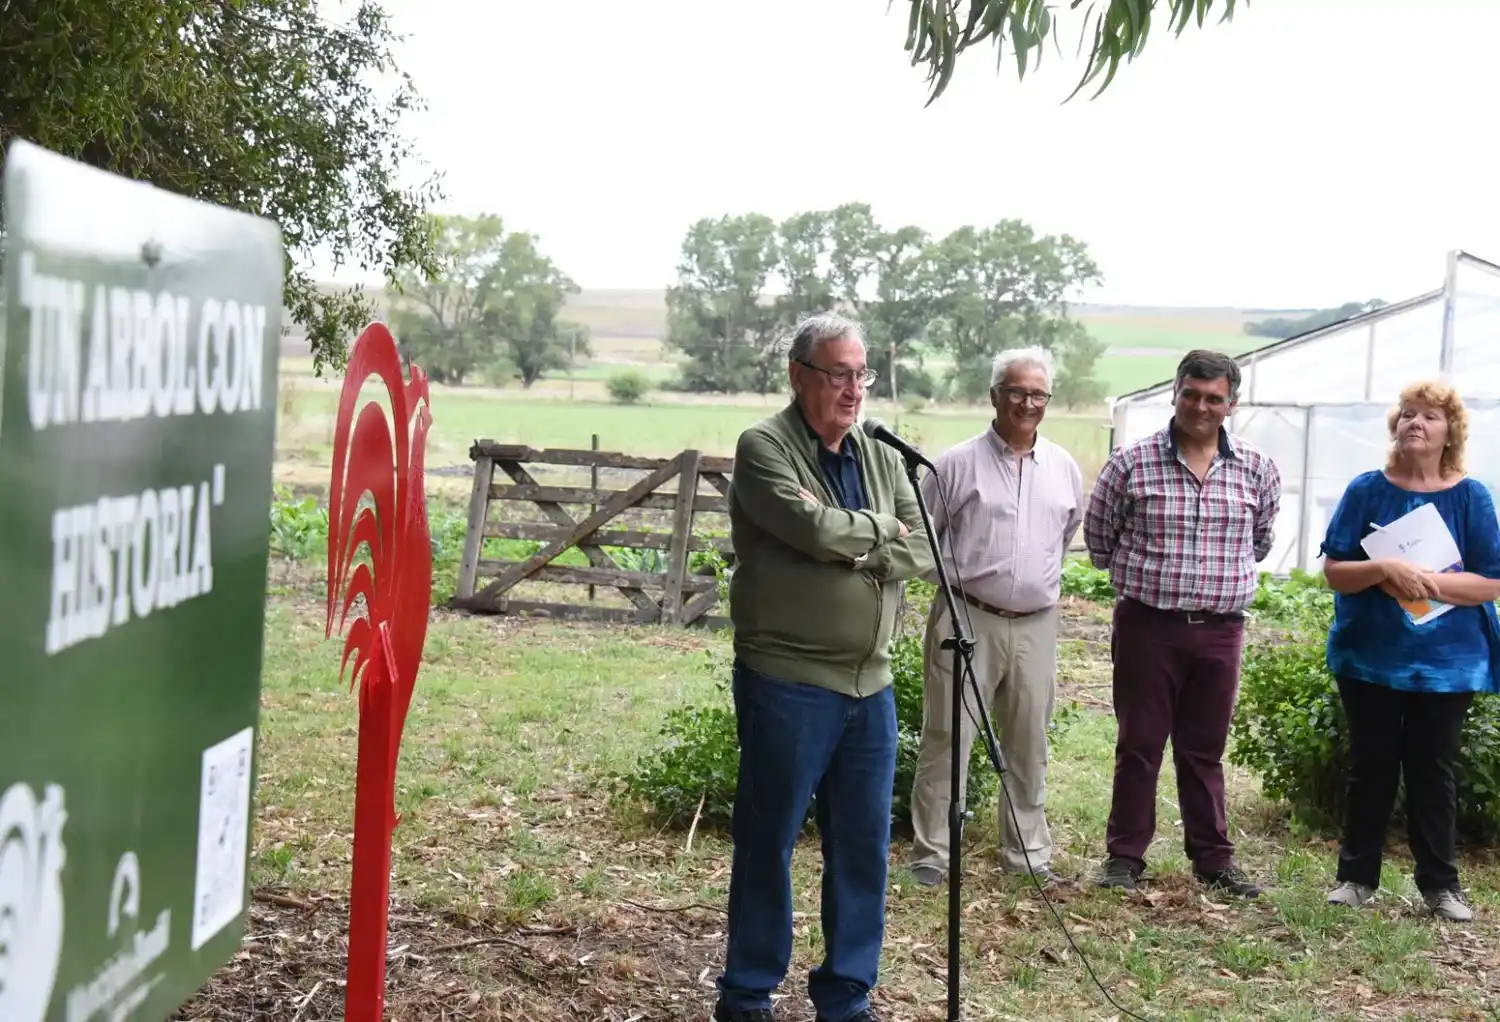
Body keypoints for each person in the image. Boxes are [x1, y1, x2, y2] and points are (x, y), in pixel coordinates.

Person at [713, 312, 934, 1022]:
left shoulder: (881, 453)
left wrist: (852, 541)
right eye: (838, 373)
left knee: (864, 847)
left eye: (861, 374)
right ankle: (748, 995)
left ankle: (846, 994)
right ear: (798, 375)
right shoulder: (764, 447)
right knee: (769, 839)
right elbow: (808, 527)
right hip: (789, 679)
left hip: (872, 685)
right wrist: (880, 529)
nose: (853, 389)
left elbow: (923, 545)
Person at [1083, 349, 1281, 898]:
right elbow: (1099, 541)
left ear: (1232, 404)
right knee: (1139, 745)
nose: (1200, 406)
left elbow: (1260, 541)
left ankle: (1213, 860)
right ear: (1175, 394)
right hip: (1148, 627)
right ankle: (1124, 857)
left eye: (1214, 398)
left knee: (1204, 750)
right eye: (1191, 394)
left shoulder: (1257, 469)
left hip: (1220, 630)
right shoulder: (1131, 463)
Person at [1318, 380, 1500, 922]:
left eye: (1429, 416)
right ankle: (1356, 878)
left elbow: (1491, 582)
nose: (1415, 422)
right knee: (1370, 764)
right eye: (1407, 414)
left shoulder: (1471, 496)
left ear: (1451, 432)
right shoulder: (1366, 490)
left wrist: (1421, 581)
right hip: (1368, 655)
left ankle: (1441, 887)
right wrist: (1382, 568)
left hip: (1447, 664)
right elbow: (1336, 572)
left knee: (1432, 769)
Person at [906, 347, 1083, 889]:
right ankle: (932, 856)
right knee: (947, 736)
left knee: (1029, 741)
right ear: (994, 396)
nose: (1027, 403)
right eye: (1016, 391)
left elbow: (1063, 535)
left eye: (1037, 394)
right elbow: (923, 538)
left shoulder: (1064, 468)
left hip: (1036, 624)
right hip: (967, 617)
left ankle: (1027, 856)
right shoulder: (956, 464)